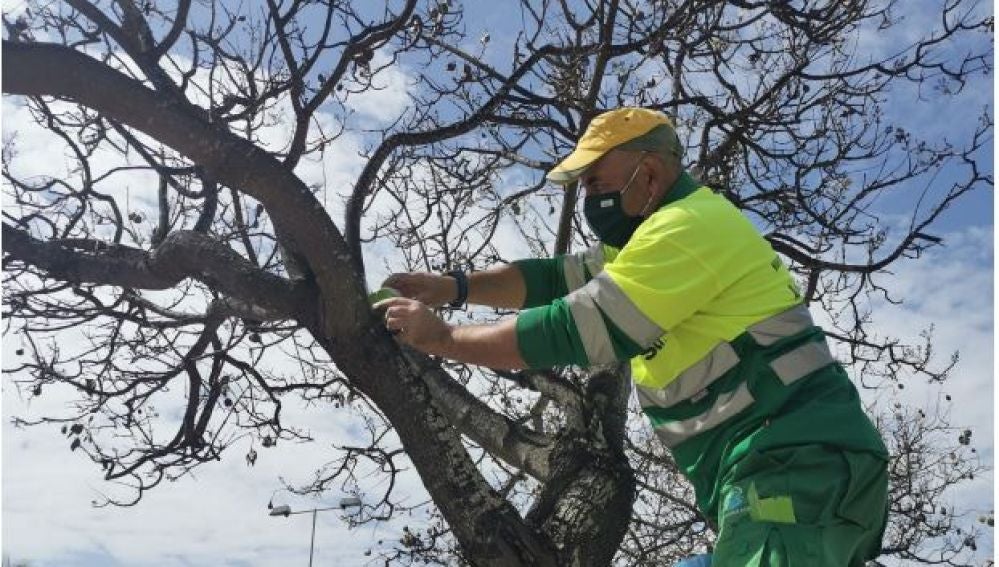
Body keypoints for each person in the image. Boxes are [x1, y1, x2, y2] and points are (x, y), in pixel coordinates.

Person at [374, 108, 889, 566]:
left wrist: (443, 338)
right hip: (781, 476)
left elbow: (570, 325)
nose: (589, 198)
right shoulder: (643, 240)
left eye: (597, 183)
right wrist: (454, 286)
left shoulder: (686, 229)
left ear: (651, 172)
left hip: (795, 470)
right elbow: (551, 277)